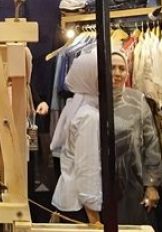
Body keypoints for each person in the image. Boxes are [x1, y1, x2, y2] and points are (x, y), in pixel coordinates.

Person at [111, 48, 162, 225]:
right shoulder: (92, 100)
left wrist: (152, 185)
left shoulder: (138, 100)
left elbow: (151, 143)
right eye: (112, 67)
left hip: (133, 185)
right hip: (100, 187)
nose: (117, 73)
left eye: (122, 68)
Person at [50, 52, 102, 225]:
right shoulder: (89, 116)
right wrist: (94, 219)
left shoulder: (75, 106)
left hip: (69, 199)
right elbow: (87, 167)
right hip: (81, 207)